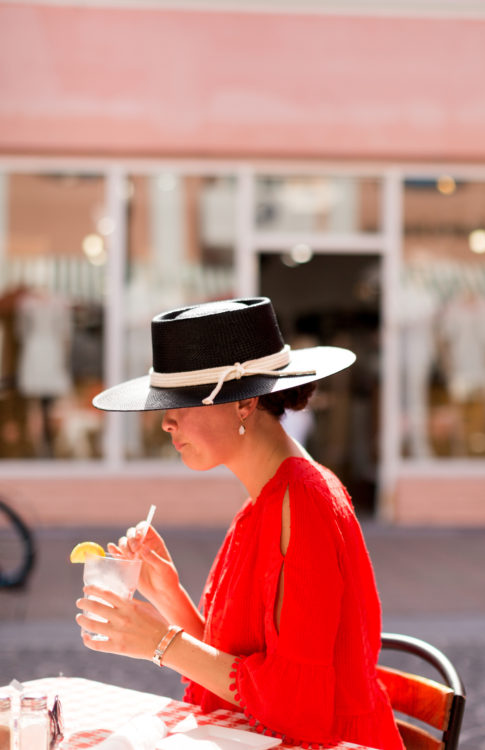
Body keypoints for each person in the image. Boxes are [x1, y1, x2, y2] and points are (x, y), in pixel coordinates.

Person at [76, 297, 404, 749]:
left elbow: (293, 705)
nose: (167, 423)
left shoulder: (303, 500)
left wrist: (160, 641)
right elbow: (235, 672)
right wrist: (166, 592)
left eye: (184, 403)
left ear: (244, 402)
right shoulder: (265, 502)